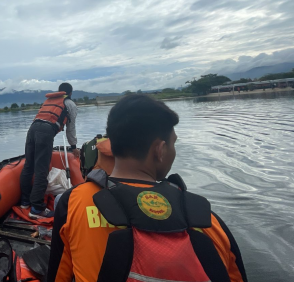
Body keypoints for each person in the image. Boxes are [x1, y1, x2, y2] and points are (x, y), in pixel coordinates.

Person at [48, 94, 247, 282]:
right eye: (173, 143)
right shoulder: (206, 219)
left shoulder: (74, 202)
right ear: (159, 150)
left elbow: (58, 276)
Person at [20, 83, 79, 219]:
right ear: (70, 93)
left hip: (32, 129)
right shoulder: (69, 103)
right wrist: (73, 146)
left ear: (59, 91)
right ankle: (36, 209)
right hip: (45, 132)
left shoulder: (49, 100)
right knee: (42, 169)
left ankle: (24, 201)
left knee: (29, 165)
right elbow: (71, 128)